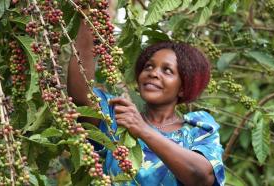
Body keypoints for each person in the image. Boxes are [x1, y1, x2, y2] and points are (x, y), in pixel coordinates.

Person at [68, 18, 225, 186]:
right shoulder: (119, 117)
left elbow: (200, 176)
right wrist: (85, 18)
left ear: (182, 88)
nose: (153, 73)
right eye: (149, 66)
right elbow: (81, 97)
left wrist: (143, 130)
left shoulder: (197, 129)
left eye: (167, 70)